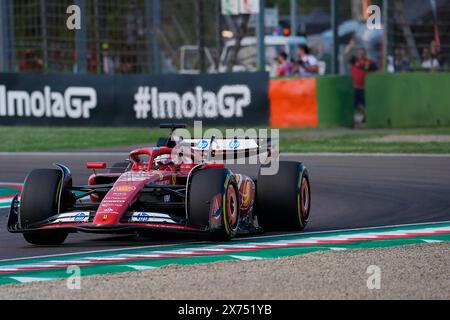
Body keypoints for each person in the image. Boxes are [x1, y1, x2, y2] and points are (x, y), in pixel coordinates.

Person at [348, 47, 378, 117]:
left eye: (363, 53)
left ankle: (367, 117)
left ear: (365, 54)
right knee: (354, 105)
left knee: (365, 105)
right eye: (360, 53)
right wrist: (350, 46)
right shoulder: (355, 60)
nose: (361, 55)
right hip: (355, 87)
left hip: (364, 88)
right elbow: (347, 55)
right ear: (358, 54)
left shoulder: (369, 62)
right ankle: (359, 117)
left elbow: (376, 71)